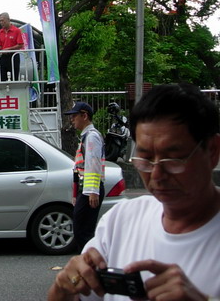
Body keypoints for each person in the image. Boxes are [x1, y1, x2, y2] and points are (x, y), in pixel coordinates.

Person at [48, 83, 220, 301]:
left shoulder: (92, 137)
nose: (157, 174)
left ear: (212, 151)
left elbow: (93, 165)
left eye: (173, 158)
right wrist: (63, 288)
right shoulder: (120, 221)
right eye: (145, 159)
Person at [64, 101, 105, 251]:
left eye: (74, 116)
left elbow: (93, 164)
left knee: (83, 231)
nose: (71, 119)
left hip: (90, 190)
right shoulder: (86, 136)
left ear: (84, 116)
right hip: (86, 189)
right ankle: (89, 259)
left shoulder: (92, 137)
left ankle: (92, 260)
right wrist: (76, 194)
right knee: (82, 229)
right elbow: (79, 167)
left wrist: (92, 192)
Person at [0, 12, 24, 81]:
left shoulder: (16, 30)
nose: (1, 22)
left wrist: (9, 49)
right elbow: (0, 46)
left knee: (14, 78)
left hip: (14, 56)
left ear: (8, 19)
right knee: (2, 78)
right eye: (0, 21)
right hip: (3, 57)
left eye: (2, 20)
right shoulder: (0, 32)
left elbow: (21, 44)